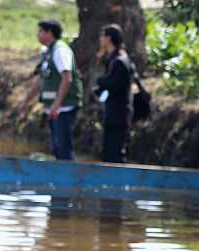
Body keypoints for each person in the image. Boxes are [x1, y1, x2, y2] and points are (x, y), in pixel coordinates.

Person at [17, 19, 83, 160]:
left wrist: (57, 104)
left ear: (49, 33)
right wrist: (26, 102)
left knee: (63, 147)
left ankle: (68, 177)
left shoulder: (60, 50)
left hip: (64, 107)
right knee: (56, 147)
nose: (38, 34)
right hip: (54, 107)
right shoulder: (48, 51)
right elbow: (41, 79)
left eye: (41, 31)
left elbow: (67, 78)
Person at [94, 24, 133, 163]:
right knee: (109, 150)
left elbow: (116, 84)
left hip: (119, 114)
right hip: (113, 112)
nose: (100, 39)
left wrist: (101, 80)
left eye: (102, 36)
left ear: (108, 38)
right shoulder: (113, 58)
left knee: (114, 152)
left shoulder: (120, 60)